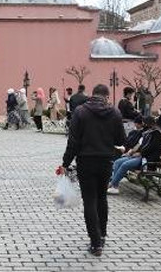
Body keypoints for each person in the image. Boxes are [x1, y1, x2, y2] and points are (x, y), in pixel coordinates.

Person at [58, 84, 125, 257]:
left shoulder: (80, 112)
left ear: (92, 95)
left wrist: (65, 163)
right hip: (105, 161)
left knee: (89, 200)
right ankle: (101, 235)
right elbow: (121, 139)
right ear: (107, 96)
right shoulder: (115, 113)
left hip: (85, 161)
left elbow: (73, 142)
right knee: (102, 197)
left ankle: (95, 243)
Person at [107, 116, 161, 195]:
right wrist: (131, 152)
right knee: (118, 162)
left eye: (144, 122)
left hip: (147, 159)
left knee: (125, 164)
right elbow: (140, 144)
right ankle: (115, 186)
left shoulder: (156, 134)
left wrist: (140, 153)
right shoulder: (147, 132)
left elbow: (150, 148)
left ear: (148, 123)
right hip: (140, 156)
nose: (142, 124)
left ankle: (111, 184)